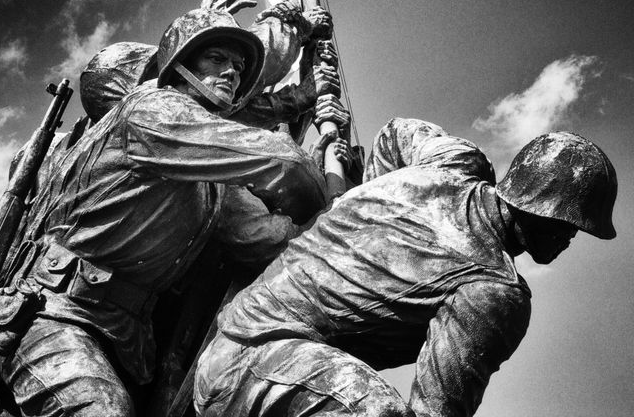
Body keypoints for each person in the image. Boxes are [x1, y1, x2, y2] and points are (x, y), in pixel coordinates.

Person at [0, 4, 347, 417]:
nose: (232, 72)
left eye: (237, 64)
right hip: (52, 317)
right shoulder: (150, 111)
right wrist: (294, 39)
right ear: (180, 66)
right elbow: (283, 162)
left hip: (127, 342)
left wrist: (337, 196)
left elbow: (266, 238)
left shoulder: (214, 183)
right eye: (216, 59)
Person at [194, 117, 618, 417]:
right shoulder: (492, 292)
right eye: (570, 223)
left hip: (235, 329)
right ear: (539, 202)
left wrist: (361, 200)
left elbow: (395, 133)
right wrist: (356, 210)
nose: (571, 237)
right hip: (248, 370)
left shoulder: (453, 159)